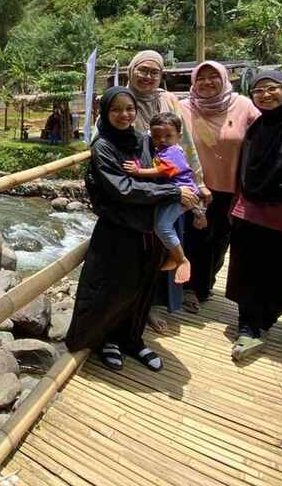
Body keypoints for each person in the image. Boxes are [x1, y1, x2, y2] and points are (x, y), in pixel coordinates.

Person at [65, 87, 199, 372]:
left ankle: (132, 338)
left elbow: (166, 172)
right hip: (118, 231)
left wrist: (180, 188)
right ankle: (105, 341)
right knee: (112, 290)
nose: (124, 115)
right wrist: (172, 193)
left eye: (129, 109)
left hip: (147, 230)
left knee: (141, 287)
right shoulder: (103, 147)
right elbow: (122, 189)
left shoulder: (144, 140)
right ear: (105, 113)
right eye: (116, 110)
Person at [226, 71, 282, 361]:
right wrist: (236, 206)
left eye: (272, 88)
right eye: (258, 91)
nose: (265, 95)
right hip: (252, 214)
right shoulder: (258, 126)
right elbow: (245, 169)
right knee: (250, 273)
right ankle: (250, 327)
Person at [127, 50, 210, 331]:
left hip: (172, 187)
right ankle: (141, 307)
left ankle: (158, 304)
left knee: (165, 242)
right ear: (131, 70)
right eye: (143, 70)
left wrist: (198, 182)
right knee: (140, 248)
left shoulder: (168, 99)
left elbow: (185, 145)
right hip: (138, 190)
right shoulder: (120, 99)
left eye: (154, 72)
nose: (148, 76)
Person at [180, 61, 259, 312]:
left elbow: (267, 132)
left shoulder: (244, 105)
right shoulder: (182, 107)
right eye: (200, 78)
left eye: (213, 77)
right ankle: (191, 288)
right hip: (193, 188)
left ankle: (206, 283)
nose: (206, 82)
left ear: (225, 79)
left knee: (220, 239)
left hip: (231, 188)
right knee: (194, 239)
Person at [123, 112, 205, 282]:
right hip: (175, 193)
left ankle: (182, 260)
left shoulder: (173, 151)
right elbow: (157, 164)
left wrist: (139, 171)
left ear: (179, 136)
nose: (162, 140)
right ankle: (174, 255)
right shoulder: (163, 150)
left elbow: (163, 170)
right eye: (156, 136)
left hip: (181, 193)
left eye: (168, 136)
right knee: (161, 222)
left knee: (162, 226)